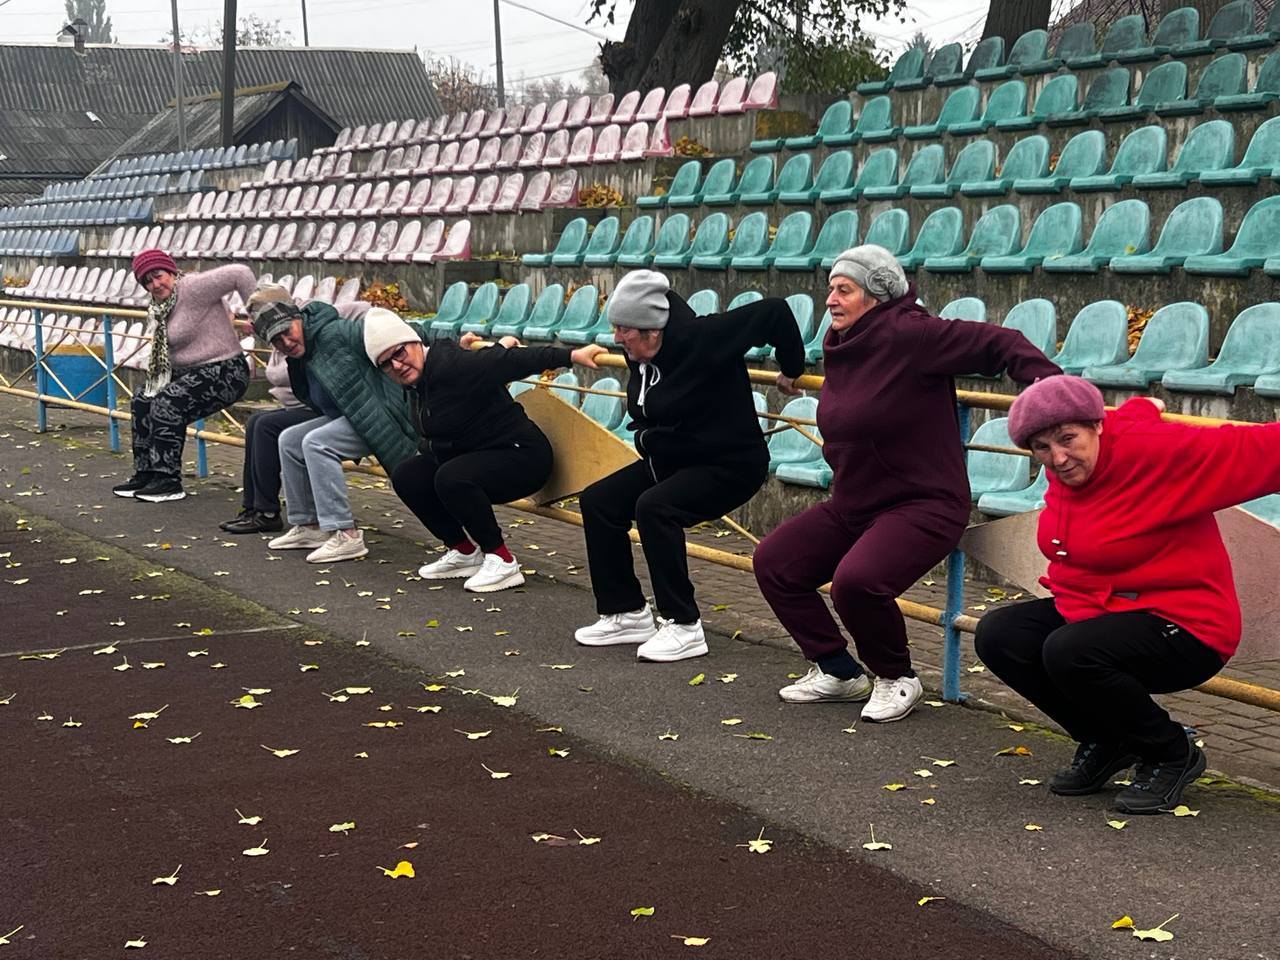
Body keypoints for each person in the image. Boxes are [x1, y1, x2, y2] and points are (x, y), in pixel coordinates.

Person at [752, 245, 1061, 722]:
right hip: (855, 502)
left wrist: (1054, 398)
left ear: (876, 296)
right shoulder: (843, 342)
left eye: (844, 290)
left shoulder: (912, 334)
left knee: (857, 583)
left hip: (923, 502)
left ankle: (896, 676)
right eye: (830, 288)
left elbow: (1002, 343)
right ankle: (837, 670)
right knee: (776, 563)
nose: (831, 300)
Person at [975, 377, 1280, 813]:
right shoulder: (1073, 466)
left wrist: (1145, 418)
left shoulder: (1160, 455)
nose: (1058, 458)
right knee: (1000, 634)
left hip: (1189, 626)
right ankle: (1109, 739)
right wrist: (1142, 407)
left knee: (1069, 651)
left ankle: (1171, 752)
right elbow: (1129, 417)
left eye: (1067, 439)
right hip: (1104, 610)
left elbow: (1266, 449)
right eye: (1042, 448)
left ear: (1096, 426)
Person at [574, 269, 806, 663]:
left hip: (730, 463)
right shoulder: (640, 353)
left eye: (624, 329)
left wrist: (792, 367)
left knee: (655, 508)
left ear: (652, 329)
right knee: (599, 502)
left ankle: (684, 625)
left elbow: (775, 312)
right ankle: (626, 612)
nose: (616, 338)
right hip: (673, 460)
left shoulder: (704, 337)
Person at [363, 314, 607, 593]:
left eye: (399, 352)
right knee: (408, 475)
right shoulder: (420, 380)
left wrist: (571, 355)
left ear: (415, 342)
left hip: (522, 457)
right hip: (477, 456)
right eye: (386, 363)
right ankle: (463, 552)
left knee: (451, 477)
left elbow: (510, 362)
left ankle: (502, 560)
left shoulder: (452, 366)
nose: (397, 365)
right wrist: (487, 347)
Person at [247, 286, 418, 564]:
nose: (286, 342)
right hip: (350, 415)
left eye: (287, 331)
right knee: (289, 440)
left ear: (298, 319)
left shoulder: (334, 332)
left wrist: (451, 341)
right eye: (277, 340)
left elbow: (396, 334)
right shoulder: (302, 353)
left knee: (316, 443)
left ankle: (346, 533)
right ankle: (309, 525)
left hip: (379, 415)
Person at [112, 249, 255, 502]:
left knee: (167, 402)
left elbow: (240, 273)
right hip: (189, 371)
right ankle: (146, 474)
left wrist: (258, 314)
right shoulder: (160, 306)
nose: (155, 284)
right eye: (148, 281)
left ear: (171, 271)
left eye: (159, 276)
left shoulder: (192, 287)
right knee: (143, 399)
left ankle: (168, 481)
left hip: (225, 369)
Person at [220, 310, 318, 534]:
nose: (285, 342)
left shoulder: (306, 338)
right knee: (255, 421)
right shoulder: (278, 345)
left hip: (317, 409)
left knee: (267, 426)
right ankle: (251, 507)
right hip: (298, 407)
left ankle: (268, 513)